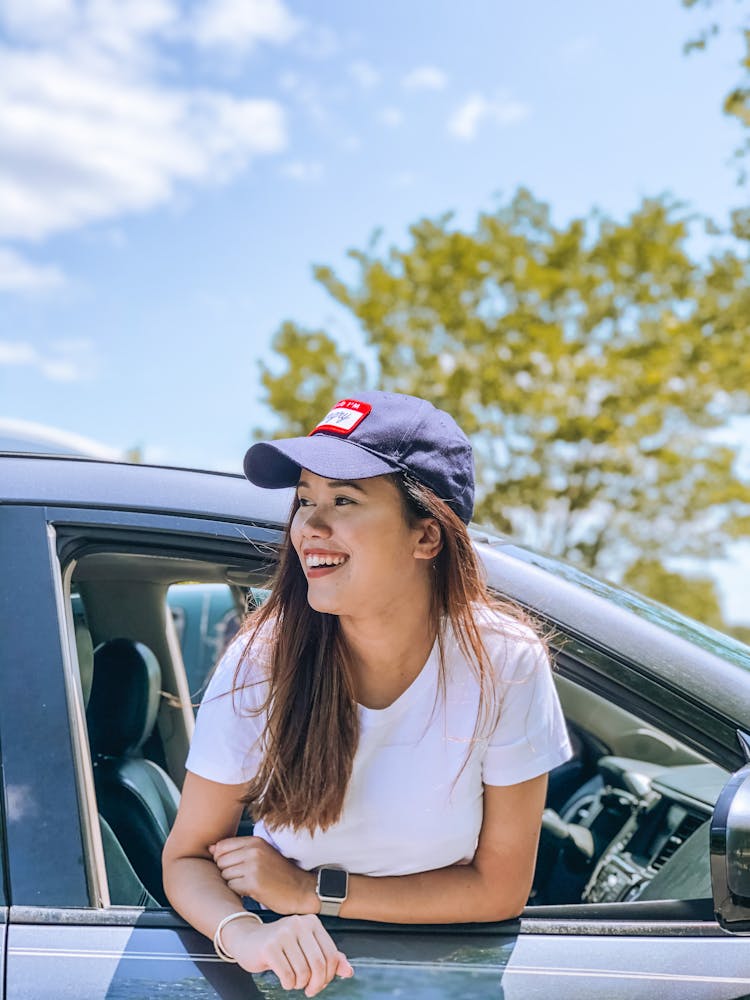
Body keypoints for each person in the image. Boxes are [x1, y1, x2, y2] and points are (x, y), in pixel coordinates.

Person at [163, 391, 572, 997]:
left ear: (426, 536)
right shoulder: (262, 659)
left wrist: (314, 891)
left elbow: (499, 888)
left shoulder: (504, 663)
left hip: (447, 978)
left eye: (344, 501)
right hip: (298, 981)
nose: (311, 527)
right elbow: (186, 859)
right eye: (305, 501)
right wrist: (248, 934)